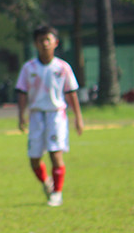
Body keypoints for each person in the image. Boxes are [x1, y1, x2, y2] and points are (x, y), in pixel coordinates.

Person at [15, 24, 84, 207]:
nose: (45, 44)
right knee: (34, 160)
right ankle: (47, 183)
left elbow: (71, 93)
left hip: (56, 116)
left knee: (55, 154)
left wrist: (78, 117)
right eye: (41, 40)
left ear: (56, 43)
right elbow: (22, 92)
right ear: (35, 44)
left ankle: (57, 193)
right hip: (36, 116)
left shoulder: (63, 67)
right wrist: (21, 115)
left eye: (48, 40)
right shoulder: (28, 68)